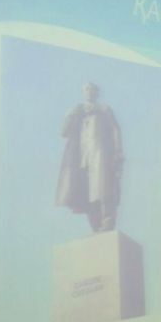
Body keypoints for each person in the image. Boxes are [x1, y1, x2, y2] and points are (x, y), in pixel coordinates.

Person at [56, 82, 123, 232]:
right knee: (87, 191)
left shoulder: (104, 110)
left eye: (92, 89)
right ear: (83, 92)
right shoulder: (77, 112)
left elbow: (115, 129)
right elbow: (63, 132)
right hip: (82, 157)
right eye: (86, 89)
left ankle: (108, 221)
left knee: (103, 189)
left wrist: (118, 151)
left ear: (97, 93)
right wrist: (71, 114)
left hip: (101, 154)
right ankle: (95, 225)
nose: (89, 92)